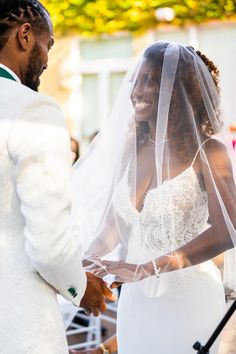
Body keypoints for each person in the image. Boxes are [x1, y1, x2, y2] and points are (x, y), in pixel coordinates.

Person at [71, 41, 236, 354]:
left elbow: (228, 229)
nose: (137, 91)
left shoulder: (208, 152)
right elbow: (112, 227)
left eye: (150, 81)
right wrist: (89, 261)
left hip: (189, 302)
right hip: (135, 304)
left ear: (178, 89)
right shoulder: (130, 151)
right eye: (137, 80)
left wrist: (148, 267)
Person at [0, 1, 114, 353]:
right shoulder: (32, 109)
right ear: (25, 35)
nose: (48, 59)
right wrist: (79, 287)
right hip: (16, 320)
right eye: (48, 44)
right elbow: (49, 243)